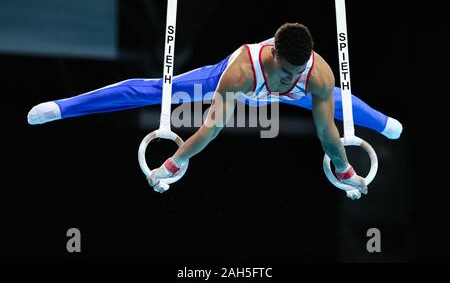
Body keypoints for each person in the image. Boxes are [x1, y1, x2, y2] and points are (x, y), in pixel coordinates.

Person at [27, 22, 402, 194]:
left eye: (298, 72)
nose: (291, 78)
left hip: (294, 94)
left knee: (340, 106)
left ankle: (384, 123)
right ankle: (63, 107)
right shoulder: (239, 73)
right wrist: (172, 164)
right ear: (273, 55)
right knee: (154, 92)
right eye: (287, 72)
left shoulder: (315, 75)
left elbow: (326, 133)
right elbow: (211, 129)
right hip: (225, 80)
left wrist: (346, 169)